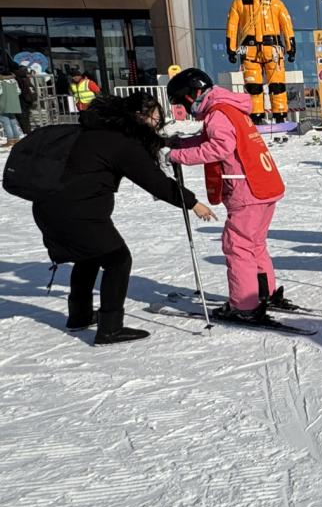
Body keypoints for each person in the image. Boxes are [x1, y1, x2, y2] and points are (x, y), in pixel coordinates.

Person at [29, 92, 215, 345]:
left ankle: (79, 316)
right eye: (155, 117)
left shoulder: (95, 131)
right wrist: (192, 203)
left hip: (49, 207)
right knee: (118, 259)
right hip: (79, 212)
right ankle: (110, 328)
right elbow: (154, 181)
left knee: (89, 257)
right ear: (140, 116)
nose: (157, 123)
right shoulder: (120, 142)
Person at [167, 68, 289, 323]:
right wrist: (179, 143)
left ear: (193, 95)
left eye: (181, 102)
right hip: (264, 185)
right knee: (254, 243)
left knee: (238, 245)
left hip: (247, 190)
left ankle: (244, 305)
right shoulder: (230, 109)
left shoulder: (217, 114)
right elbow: (206, 138)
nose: (185, 110)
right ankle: (263, 293)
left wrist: (177, 156)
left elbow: (219, 147)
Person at [226, 0, 295, 124]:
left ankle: (280, 114)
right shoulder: (239, 4)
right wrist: (231, 48)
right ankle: (256, 115)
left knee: (277, 85)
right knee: (253, 86)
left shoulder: (275, 4)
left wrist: (291, 47)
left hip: (273, 49)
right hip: (249, 50)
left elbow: (287, 26)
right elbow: (232, 27)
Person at [0, 65, 22, 145]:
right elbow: (19, 92)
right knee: (13, 121)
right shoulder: (14, 81)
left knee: (6, 122)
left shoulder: (1, 82)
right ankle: (16, 138)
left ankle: (10, 140)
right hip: (13, 104)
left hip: (3, 104)